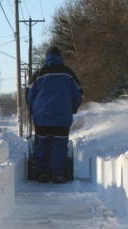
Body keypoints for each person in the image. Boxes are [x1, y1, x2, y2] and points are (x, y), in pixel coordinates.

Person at [27, 46, 83, 183]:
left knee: (42, 144)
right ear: (60, 57)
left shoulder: (39, 74)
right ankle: (58, 174)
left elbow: (29, 95)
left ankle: (43, 173)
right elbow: (78, 93)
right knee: (59, 144)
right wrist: (73, 108)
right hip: (62, 117)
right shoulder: (68, 73)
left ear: (46, 58)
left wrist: (32, 109)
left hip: (42, 117)